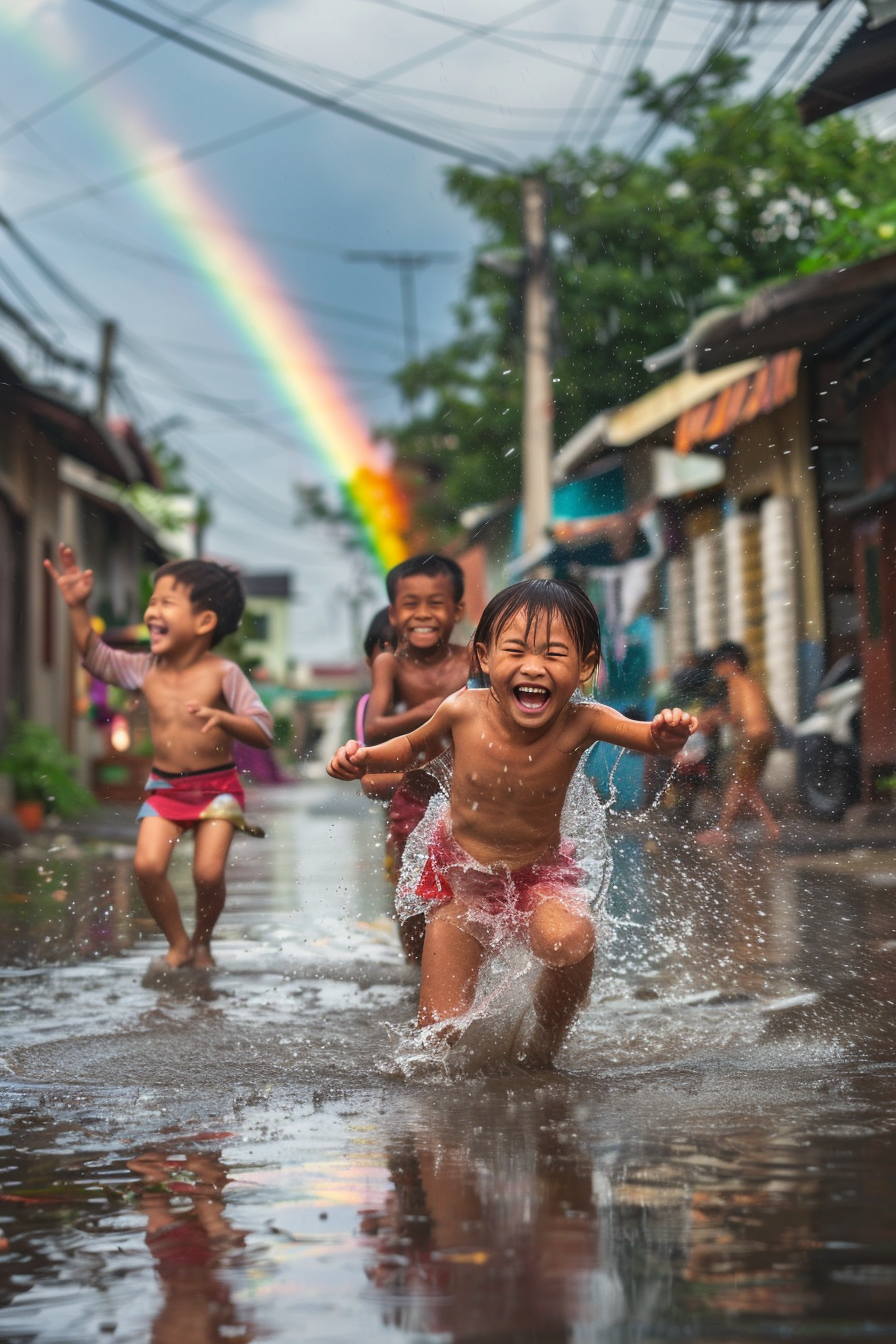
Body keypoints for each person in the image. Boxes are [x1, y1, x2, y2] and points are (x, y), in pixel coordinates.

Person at [328, 578, 696, 1063]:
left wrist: (665, 735)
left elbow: (644, 737)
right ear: (483, 657)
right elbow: (414, 747)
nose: (533, 668)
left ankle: (546, 1036)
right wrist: (366, 758)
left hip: (539, 877)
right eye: (516, 651)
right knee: (435, 1039)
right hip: (460, 882)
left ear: (585, 666)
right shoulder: (462, 711)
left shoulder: (582, 720)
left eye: (555, 655)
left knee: (570, 939)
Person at [45, 545, 274, 970]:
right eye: (152, 601)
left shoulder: (223, 674)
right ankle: (178, 943)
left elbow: (263, 730)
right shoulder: (146, 668)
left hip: (218, 790)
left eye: (166, 602)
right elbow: (97, 660)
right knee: (147, 865)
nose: (152, 611)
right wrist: (77, 607)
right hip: (166, 788)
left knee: (207, 874)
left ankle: (203, 941)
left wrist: (224, 717)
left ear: (204, 621)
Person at [365, 555, 471, 960]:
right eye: (410, 604)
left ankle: (460, 958)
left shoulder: (472, 659)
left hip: (468, 790)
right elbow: (375, 726)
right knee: (411, 883)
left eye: (436, 603)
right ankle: (415, 962)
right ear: (393, 612)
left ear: (457, 610)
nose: (422, 614)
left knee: (471, 878)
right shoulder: (389, 664)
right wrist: (436, 707)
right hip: (416, 790)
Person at [696, 641, 780, 846]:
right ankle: (772, 828)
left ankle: (723, 831)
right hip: (766, 736)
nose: (717, 670)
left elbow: (735, 719)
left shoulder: (734, 681)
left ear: (732, 663)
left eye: (719, 665)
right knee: (747, 785)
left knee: (736, 786)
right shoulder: (750, 681)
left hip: (753, 738)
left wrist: (714, 718)